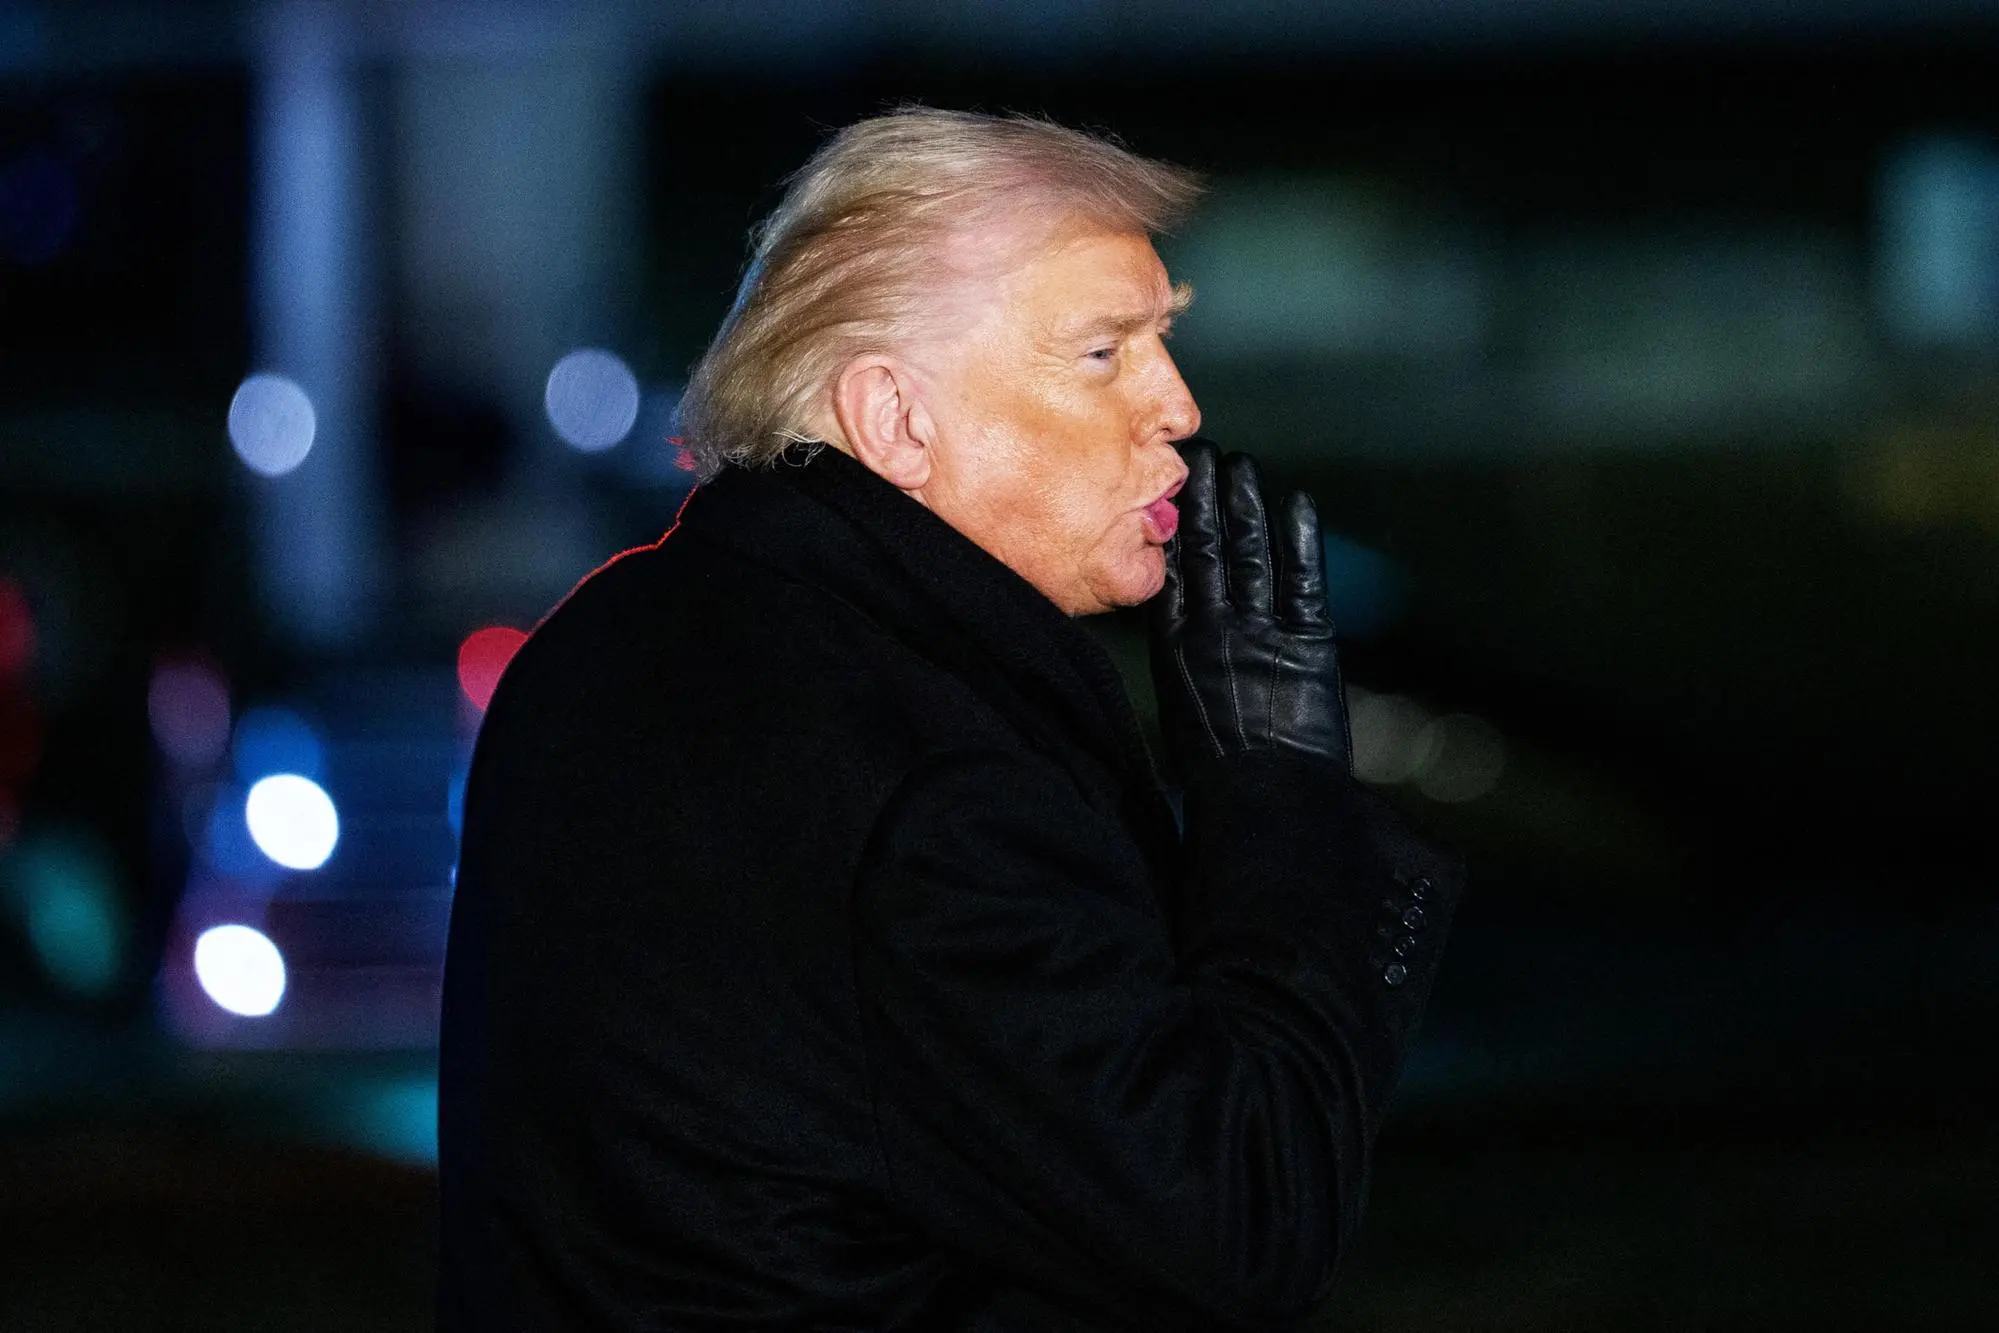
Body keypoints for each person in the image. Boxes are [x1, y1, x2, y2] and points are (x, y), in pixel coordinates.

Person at [438, 107, 1462, 1331]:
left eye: (1161, 341)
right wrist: (1277, 796)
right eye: (1101, 354)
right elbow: (1240, 1222)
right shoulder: (933, 774)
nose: (1175, 406)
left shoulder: (604, 643)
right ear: (896, 419)